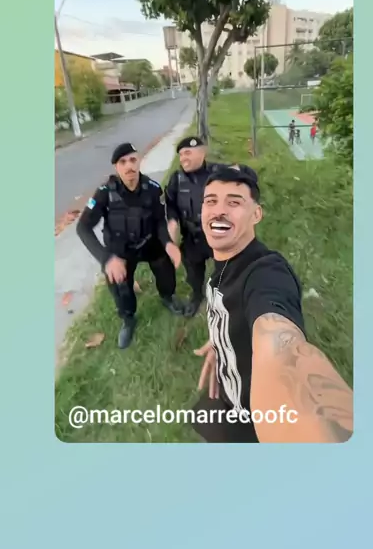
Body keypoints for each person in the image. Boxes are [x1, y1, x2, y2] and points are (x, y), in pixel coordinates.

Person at [192, 166, 353, 443]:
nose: (219, 211)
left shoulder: (265, 271)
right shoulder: (224, 264)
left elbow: (281, 346)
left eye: (234, 202)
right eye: (211, 201)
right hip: (228, 402)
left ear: (256, 214)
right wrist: (221, 339)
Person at [76, 142, 184, 349]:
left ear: (139, 161)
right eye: (123, 162)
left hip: (149, 242)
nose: (129, 166)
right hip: (120, 251)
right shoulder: (104, 193)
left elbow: (159, 221)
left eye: (133, 160)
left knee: (165, 268)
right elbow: (83, 227)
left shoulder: (153, 189)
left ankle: (167, 297)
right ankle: (128, 319)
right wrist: (107, 259)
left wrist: (168, 243)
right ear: (116, 167)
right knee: (119, 285)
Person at [165, 136, 223, 317]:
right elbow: (170, 205)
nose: (183, 158)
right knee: (193, 271)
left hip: (217, 234)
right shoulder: (177, 179)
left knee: (225, 267)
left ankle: (223, 293)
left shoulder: (219, 173)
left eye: (188, 153)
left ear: (202, 152)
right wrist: (172, 224)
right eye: (181, 155)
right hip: (192, 236)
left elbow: (247, 181)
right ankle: (197, 295)